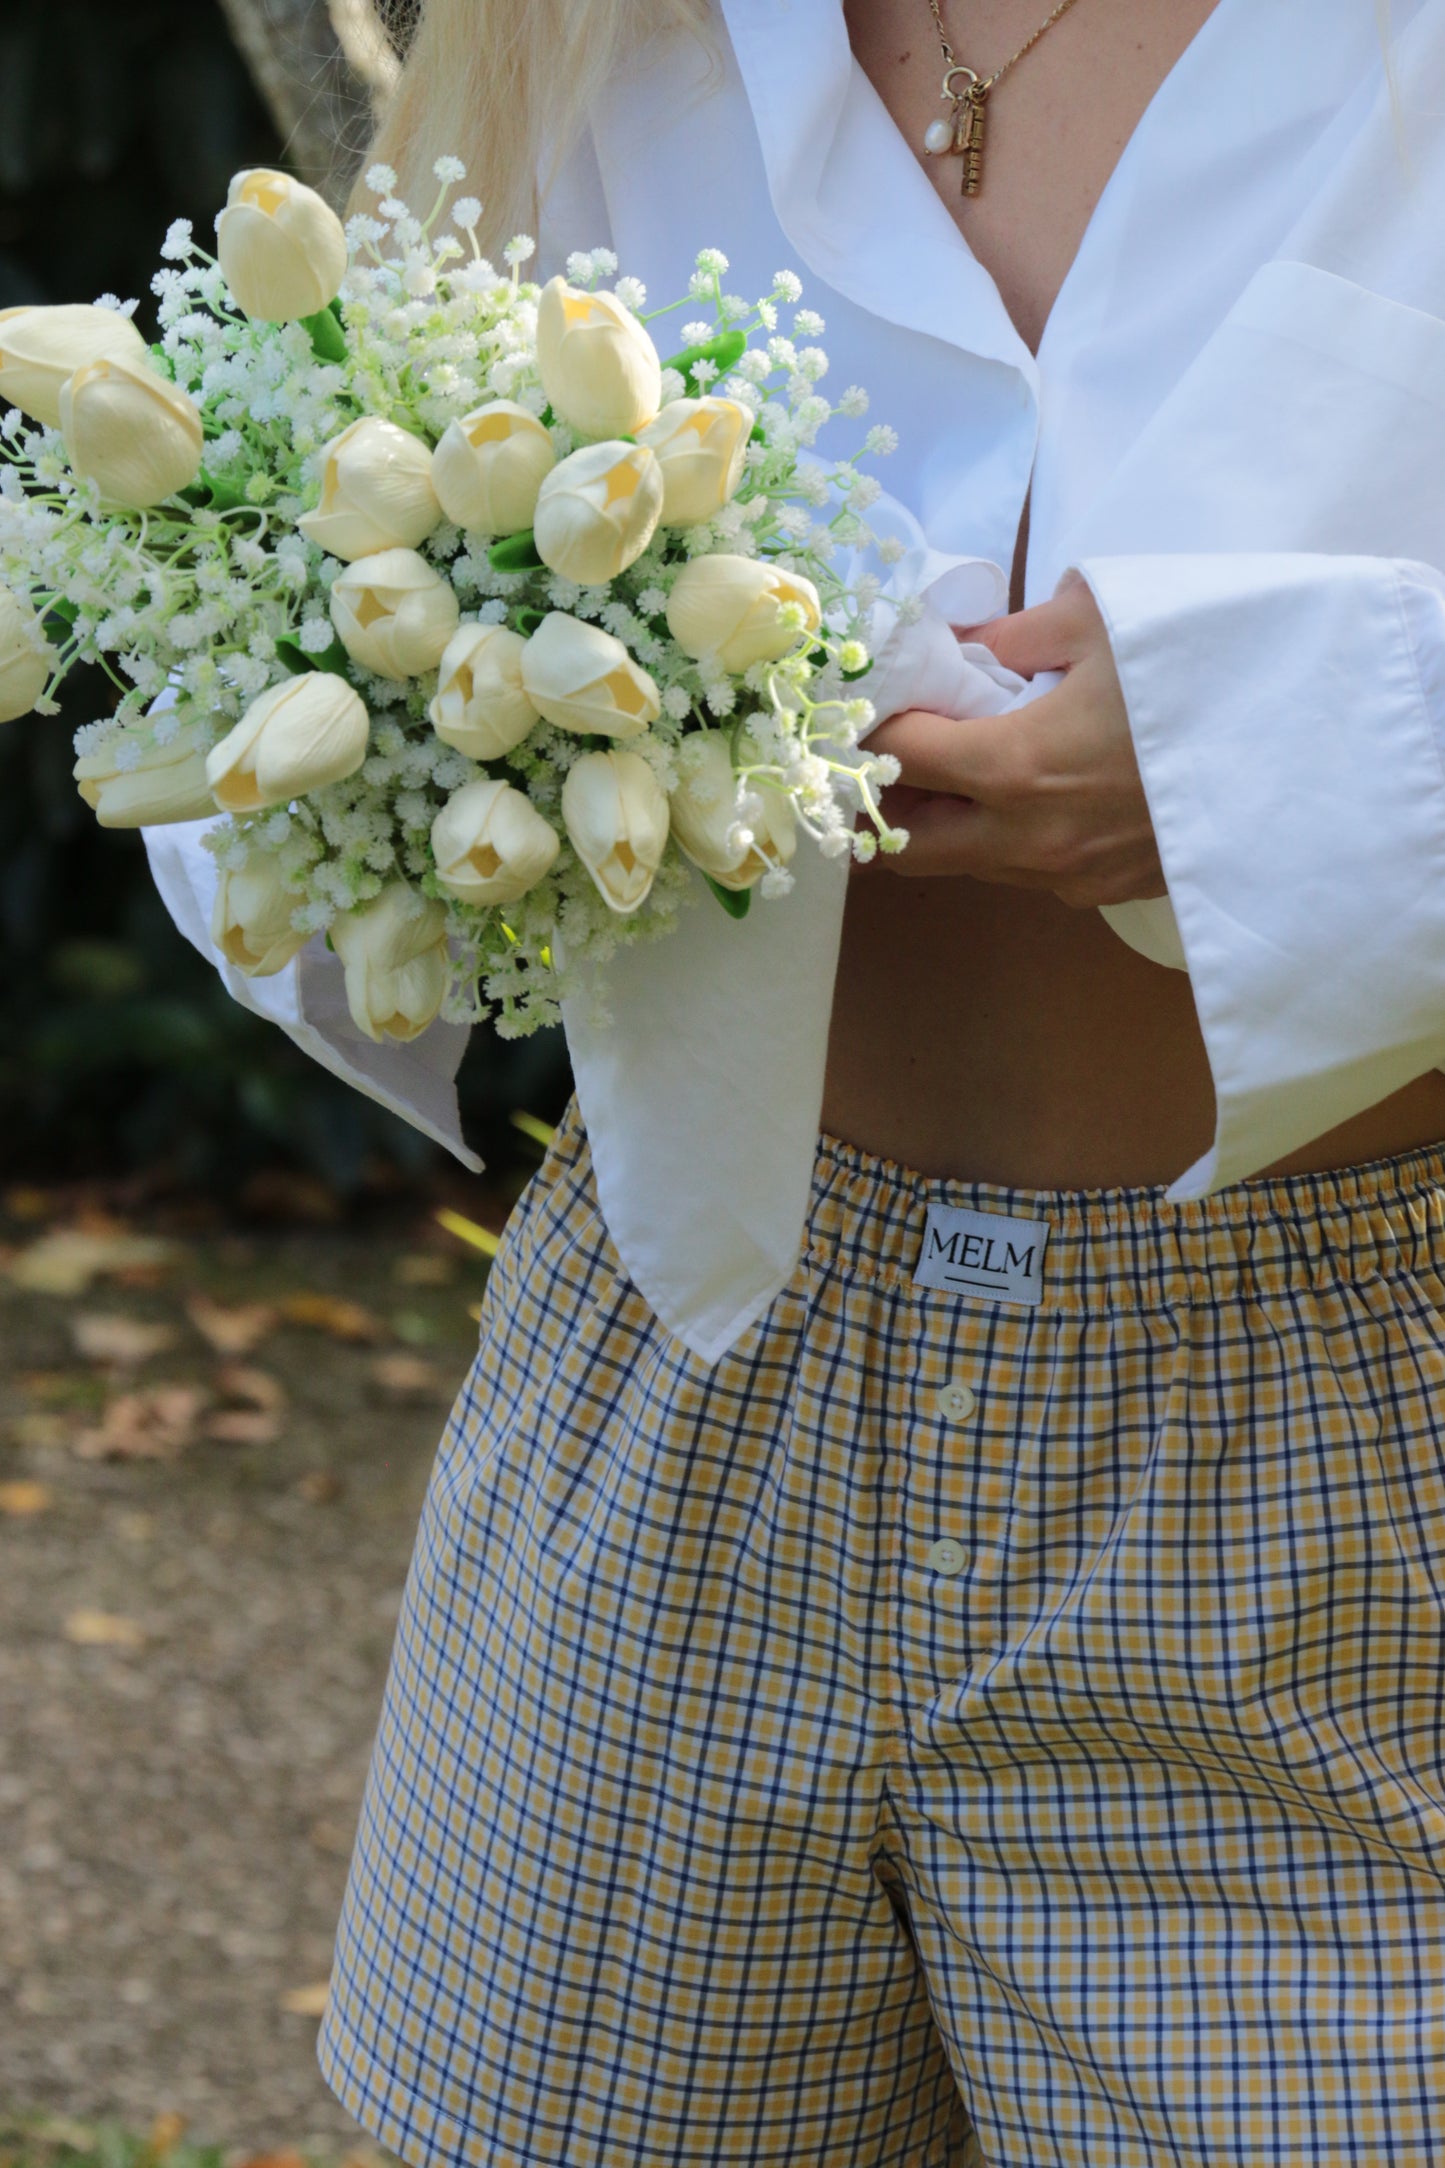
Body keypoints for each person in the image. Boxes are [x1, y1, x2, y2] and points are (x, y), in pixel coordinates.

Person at [158, 0, 1445, 2159]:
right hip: (682, 1340)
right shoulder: (587, 26)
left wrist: (1292, 751)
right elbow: (291, 586)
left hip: (1339, 1462)